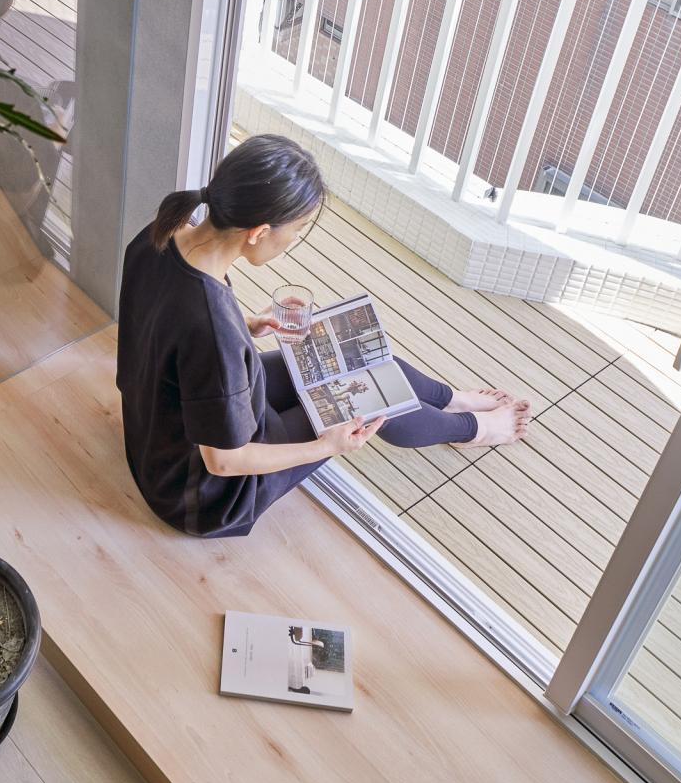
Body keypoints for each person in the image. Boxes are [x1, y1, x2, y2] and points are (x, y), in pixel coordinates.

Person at [117, 134, 530, 539]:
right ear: (259, 232)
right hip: (200, 493)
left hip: (157, 435)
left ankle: (450, 398)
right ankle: (472, 429)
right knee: (368, 400)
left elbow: (168, 329)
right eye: (296, 230)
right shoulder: (212, 329)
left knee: (357, 363)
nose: (293, 240)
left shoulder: (162, 234)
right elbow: (224, 462)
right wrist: (328, 446)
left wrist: (246, 324)